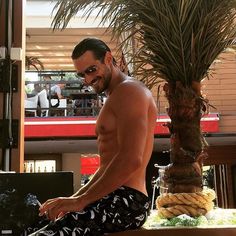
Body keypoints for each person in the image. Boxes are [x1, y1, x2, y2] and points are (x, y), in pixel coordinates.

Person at [30, 38, 157, 235]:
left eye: (91, 70)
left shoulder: (130, 91)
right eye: (82, 75)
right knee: (34, 227)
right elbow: (107, 167)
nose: (87, 80)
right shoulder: (116, 95)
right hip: (110, 198)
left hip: (126, 201)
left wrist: (80, 201)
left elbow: (131, 159)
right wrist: (73, 199)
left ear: (108, 58)